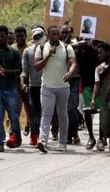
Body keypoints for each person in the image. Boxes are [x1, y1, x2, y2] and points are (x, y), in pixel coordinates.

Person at [34, 25, 77, 153]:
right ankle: (42, 141)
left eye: (57, 34)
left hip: (63, 87)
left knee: (62, 114)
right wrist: (48, 56)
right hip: (47, 87)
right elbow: (36, 66)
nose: (56, 36)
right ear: (48, 35)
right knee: (46, 114)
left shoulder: (67, 47)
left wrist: (70, 72)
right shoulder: (42, 48)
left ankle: (63, 142)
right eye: (53, 34)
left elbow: (73, 63)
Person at [0, 25, 23, 152]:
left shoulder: (14, 52)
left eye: (2, 36)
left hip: (11, 89)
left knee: (13, 116)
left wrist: (6, 71)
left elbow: (19, 70)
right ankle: (0, 142)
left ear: (7, 37)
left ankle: (17, 136)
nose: (0, 39)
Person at [21, 26, 46, 146]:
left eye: (40, 36)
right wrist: (23, 82)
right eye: (35, 36)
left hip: (47, 85)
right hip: (34, 86)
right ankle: (36, 135)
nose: (38, 38)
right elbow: (25, 69)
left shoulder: (49, 50)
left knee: (46, 111)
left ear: (44, 36)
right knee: (35, 111)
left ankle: (44, 135)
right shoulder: (28, 51)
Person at [60, 24, 81, 144]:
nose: (65, 35)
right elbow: (63, 47)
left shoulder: (76, 44)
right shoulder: (55, 44)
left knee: (72, 108)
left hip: (74, 79)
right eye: (63, 32)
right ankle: (68, 133)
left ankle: (72, 133)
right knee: (63, 109)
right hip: (60, 79)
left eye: (67, 32)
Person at [12, 27, 33, 138]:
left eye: (22, 36)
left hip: (29, 82)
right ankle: (14, 133)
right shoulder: (11, 49)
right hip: (14, 83)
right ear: (15, 37)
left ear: (26, 36)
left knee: (29, 108)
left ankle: (31, 130)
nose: (19, 38)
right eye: (17, 36)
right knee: (15, 109)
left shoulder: (30, 48)